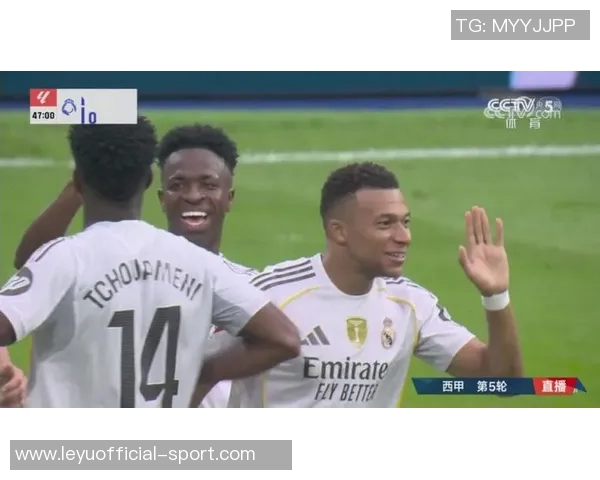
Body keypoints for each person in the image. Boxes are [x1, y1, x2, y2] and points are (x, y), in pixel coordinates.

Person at [0, 118, 301, 408]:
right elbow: (284, 339)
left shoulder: (67, 257)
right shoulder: (202, 265)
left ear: (79, 181)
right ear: (148, 182)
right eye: (179, 184)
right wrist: (198, 374)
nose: (193, 196)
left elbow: (30, 264)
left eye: (207, 184)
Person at [200, 162, 523, 407]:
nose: (404, 237)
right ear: (339, 231)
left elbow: (504, 380)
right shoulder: (272, 294)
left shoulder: (411, 304)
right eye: (385, 224)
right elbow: (193, 372)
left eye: (405, 222)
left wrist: (496, 296)